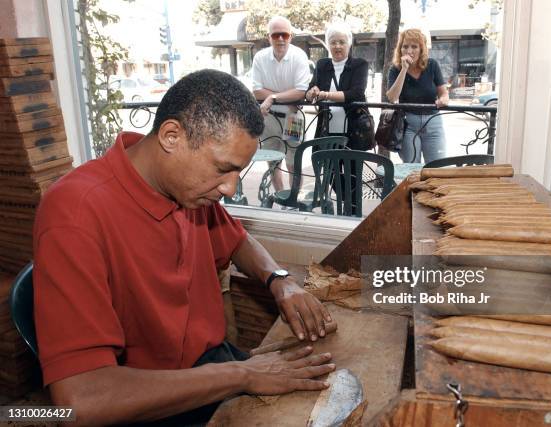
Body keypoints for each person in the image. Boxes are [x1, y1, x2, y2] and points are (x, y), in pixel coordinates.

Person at [33, 69, 335, 426]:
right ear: (171, 136)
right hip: (148, 400)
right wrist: (243, 375)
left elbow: (237, 240)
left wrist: (279, 280)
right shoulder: (75, 215)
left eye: (239, 172)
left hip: (213, 366)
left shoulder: (187, 189)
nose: (229, 189)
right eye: (223, 169)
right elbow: (82, 400)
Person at [251, 16, 311, 192]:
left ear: (290, 36)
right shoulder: (260, 58)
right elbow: (257, 91)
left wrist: (272, 97)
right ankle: (280, 196)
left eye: (284, 34)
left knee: (294, 162)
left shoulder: (299, 56)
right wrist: (283, 97)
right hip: (269, 117)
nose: (280, 39)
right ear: (269, 37)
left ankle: (293, 199)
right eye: (276, 35)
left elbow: (300, 91)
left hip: (294, 117)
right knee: (273, 161)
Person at [386, 28, 450, 163]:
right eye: (405, 46)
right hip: (408, 124)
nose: (409, 51)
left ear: (421, 49)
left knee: (437, 168)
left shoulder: (432, 65)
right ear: (400, 49)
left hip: (433, 121)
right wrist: (404, 69)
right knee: (411, 170)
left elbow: (443, 93)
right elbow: (392, 97)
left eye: (414, 46)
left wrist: (443, 99)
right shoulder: (395, 69)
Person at [305, 22, 369, 151]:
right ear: (328, 45)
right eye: (333, 42)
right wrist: (312, 93)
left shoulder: (359, 64)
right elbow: (309, 92)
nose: (337, 46)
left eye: (341, 42)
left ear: (349, 43)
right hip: (326, 129)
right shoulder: (322, 64)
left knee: (352, 170)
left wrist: (326, 95)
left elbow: (356, 93)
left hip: (353, 129)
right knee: (330, 170)